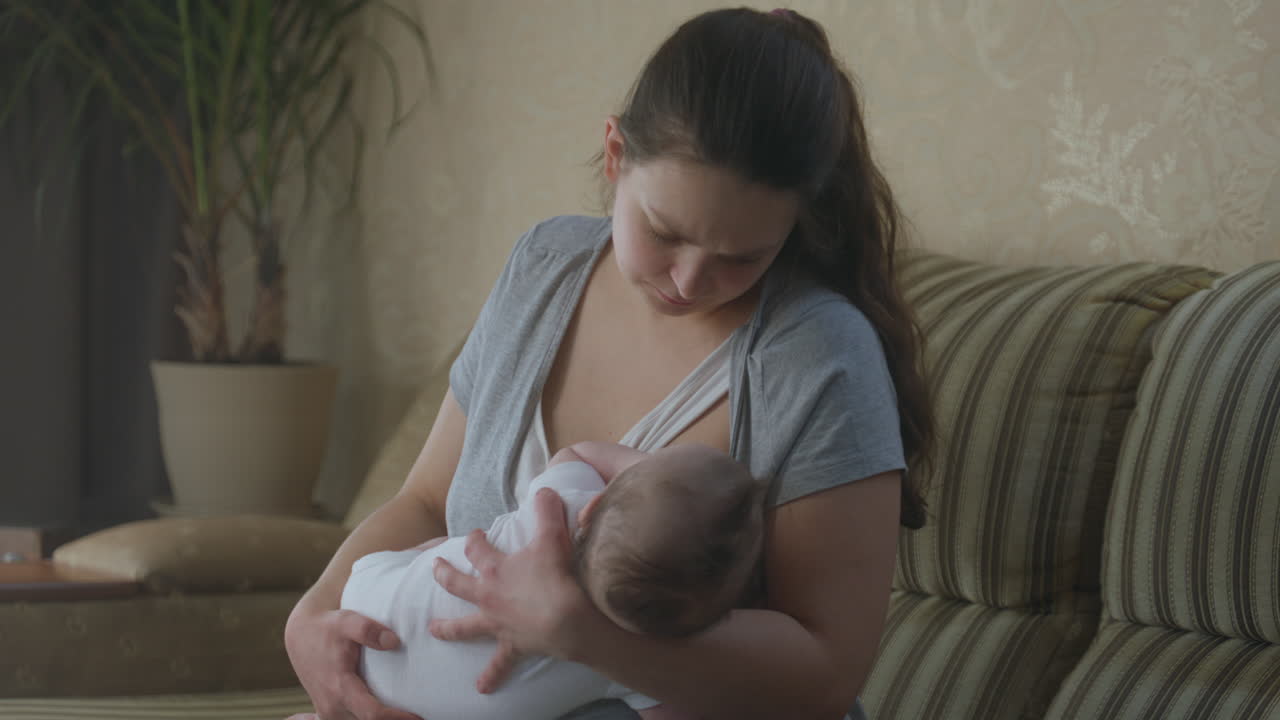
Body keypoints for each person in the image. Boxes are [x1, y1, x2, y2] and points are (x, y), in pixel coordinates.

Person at [286, 7, 933, 720]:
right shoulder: (544, 267)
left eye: (742, 257)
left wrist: (587, 637)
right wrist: (312, 617)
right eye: (665, 232)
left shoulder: (819, 358)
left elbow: (826, 676)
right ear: (616, 153)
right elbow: (425, 502)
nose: (689, 280)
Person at [339, 441, 764, 720]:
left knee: (445, 551)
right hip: (417, 712)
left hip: (365, 606)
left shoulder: (562, 502)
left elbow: (574, 452)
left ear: (594, 507)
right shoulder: (630, 665)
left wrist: (643, 474)